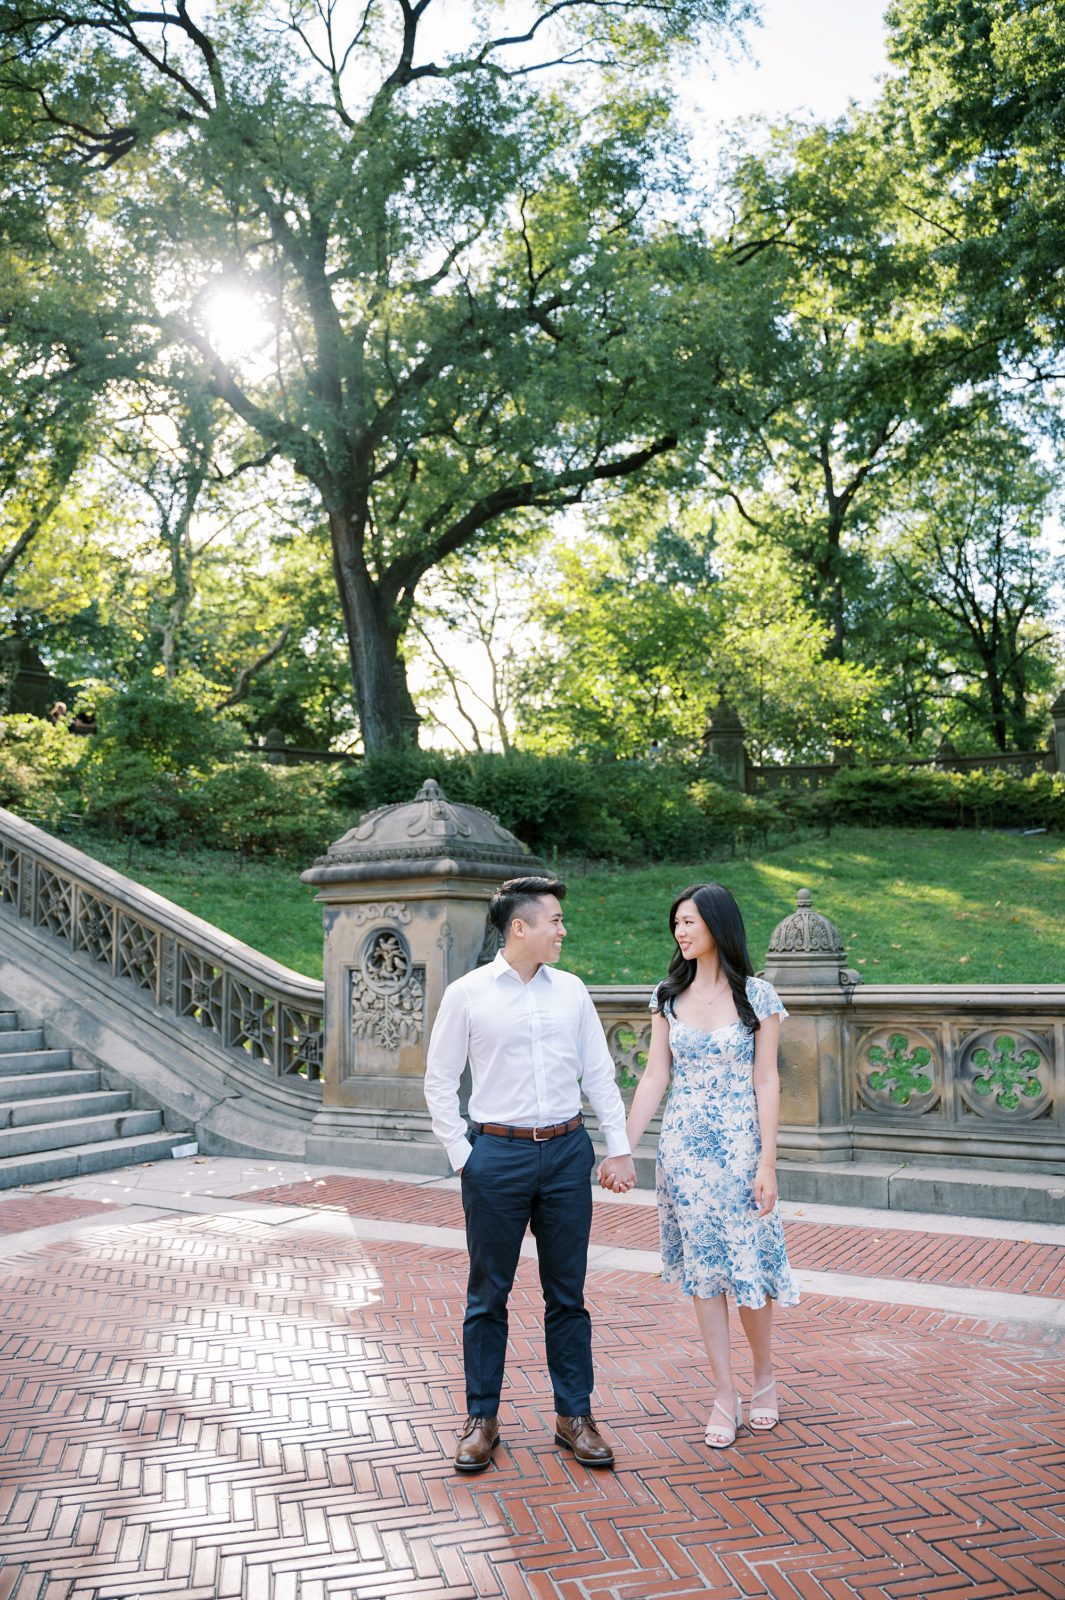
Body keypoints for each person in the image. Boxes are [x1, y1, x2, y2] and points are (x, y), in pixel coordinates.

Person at [424, 874, 636, 1474]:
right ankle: (481, 1418)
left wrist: (616, 1148)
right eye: (555, 921)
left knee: (567, 1294)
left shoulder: (571, 991)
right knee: (487, 1295)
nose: (563, 930)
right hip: (497, 1156)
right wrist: (464, 1157)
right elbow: (439, 1081)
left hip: (567, 1153)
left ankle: (575, 1416)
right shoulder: (468, 994)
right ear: (521, 927)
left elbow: (599, 1074)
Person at [602, 882, 798, 1449]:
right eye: (676, 923)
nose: (680, 932)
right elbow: (655, 1076)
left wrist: (768, 1162)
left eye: (689, 921)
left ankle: (764, 1378)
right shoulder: (667, 996)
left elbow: (767, 1079)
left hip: (741, 1155)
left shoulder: (757, 997)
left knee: (749, 1272)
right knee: (705, 1275)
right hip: (684, 1157)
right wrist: (624, 1146)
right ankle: (724, 1392)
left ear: (717, 925)